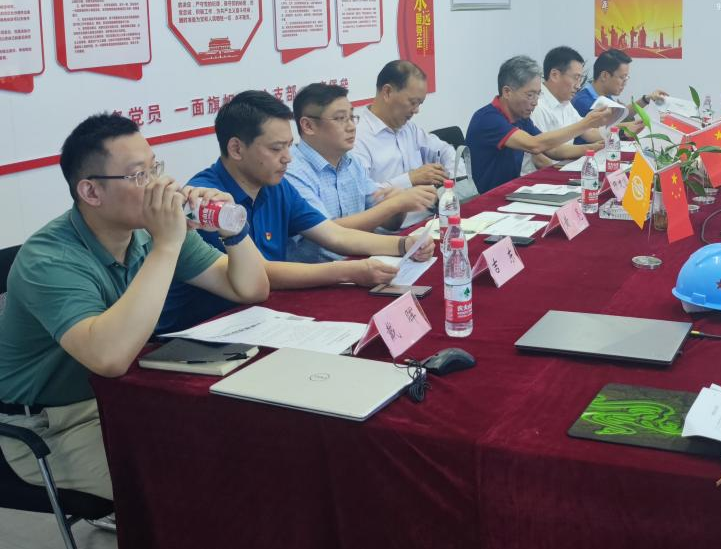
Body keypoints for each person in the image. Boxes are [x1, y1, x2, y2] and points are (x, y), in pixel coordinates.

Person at [0, 114, 269, 502]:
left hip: (125, 395)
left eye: (156, 168)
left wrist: (233, 231)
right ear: (91, 192)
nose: (160, 186)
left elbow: (250, 288)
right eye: (140, 175)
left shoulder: (147, 231)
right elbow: (109, 358)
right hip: (50, 424)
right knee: (191, 481)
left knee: (247, 440)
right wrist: (167, 244)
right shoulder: (48, 259)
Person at [159, 91, 433, 334]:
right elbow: (262, 272)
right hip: (205, 328)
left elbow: (334, 235)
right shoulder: (206, 200)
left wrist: (403, 244)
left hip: (261, 316)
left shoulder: (276, 186)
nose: (288, 158)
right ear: (236, 148)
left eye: (289, 146)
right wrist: (349, 271)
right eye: (276, 148)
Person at [286, 83, 439, 261]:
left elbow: (389, 224)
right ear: (308, 126)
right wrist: (394, 204)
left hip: (361, 261)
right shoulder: (292, 171)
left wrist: (399, 205)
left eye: (352, 117)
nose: (351, 126)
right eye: (340, 119)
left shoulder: (352, 162)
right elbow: (329, 232)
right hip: (319, 272)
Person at [467, 56, 612, 193]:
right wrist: (585, 124)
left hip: (510, 191)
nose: (535, 102)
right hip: (487, 197)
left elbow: (553, 150)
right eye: (530, 95)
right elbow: (534, 145)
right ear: (507, 92)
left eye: (538, 94)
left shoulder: (521, 118)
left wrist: (595, 148)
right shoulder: (488, 119)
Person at [352, 60, 457, 191]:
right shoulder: (357, 138)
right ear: (387, 92)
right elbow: (362, 194)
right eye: (413, 102)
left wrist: (457, 181)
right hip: (393, 205)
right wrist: (410, 179)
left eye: (419, 103)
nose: (416, 110)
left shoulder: (409, 128)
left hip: (429, 203)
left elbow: (445, 150)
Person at [525, 46, 606, 173]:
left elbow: (588, 132)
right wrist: (567, 176)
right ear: (555, 75)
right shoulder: (537, 105)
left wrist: (617, 133)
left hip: (564, 167)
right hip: (541, 177)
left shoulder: (565, 102)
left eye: (580, 79)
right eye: (576, 78)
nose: (578, 85)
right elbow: (540, 159)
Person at [571, 48, 668, 120]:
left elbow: (621, 115)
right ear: (604, 76)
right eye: (622, 77)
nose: (625, 83)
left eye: (626, 77)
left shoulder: (604, 96)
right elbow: (609, 128)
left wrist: (646, 99)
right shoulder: (584, 102)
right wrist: (647, 121)